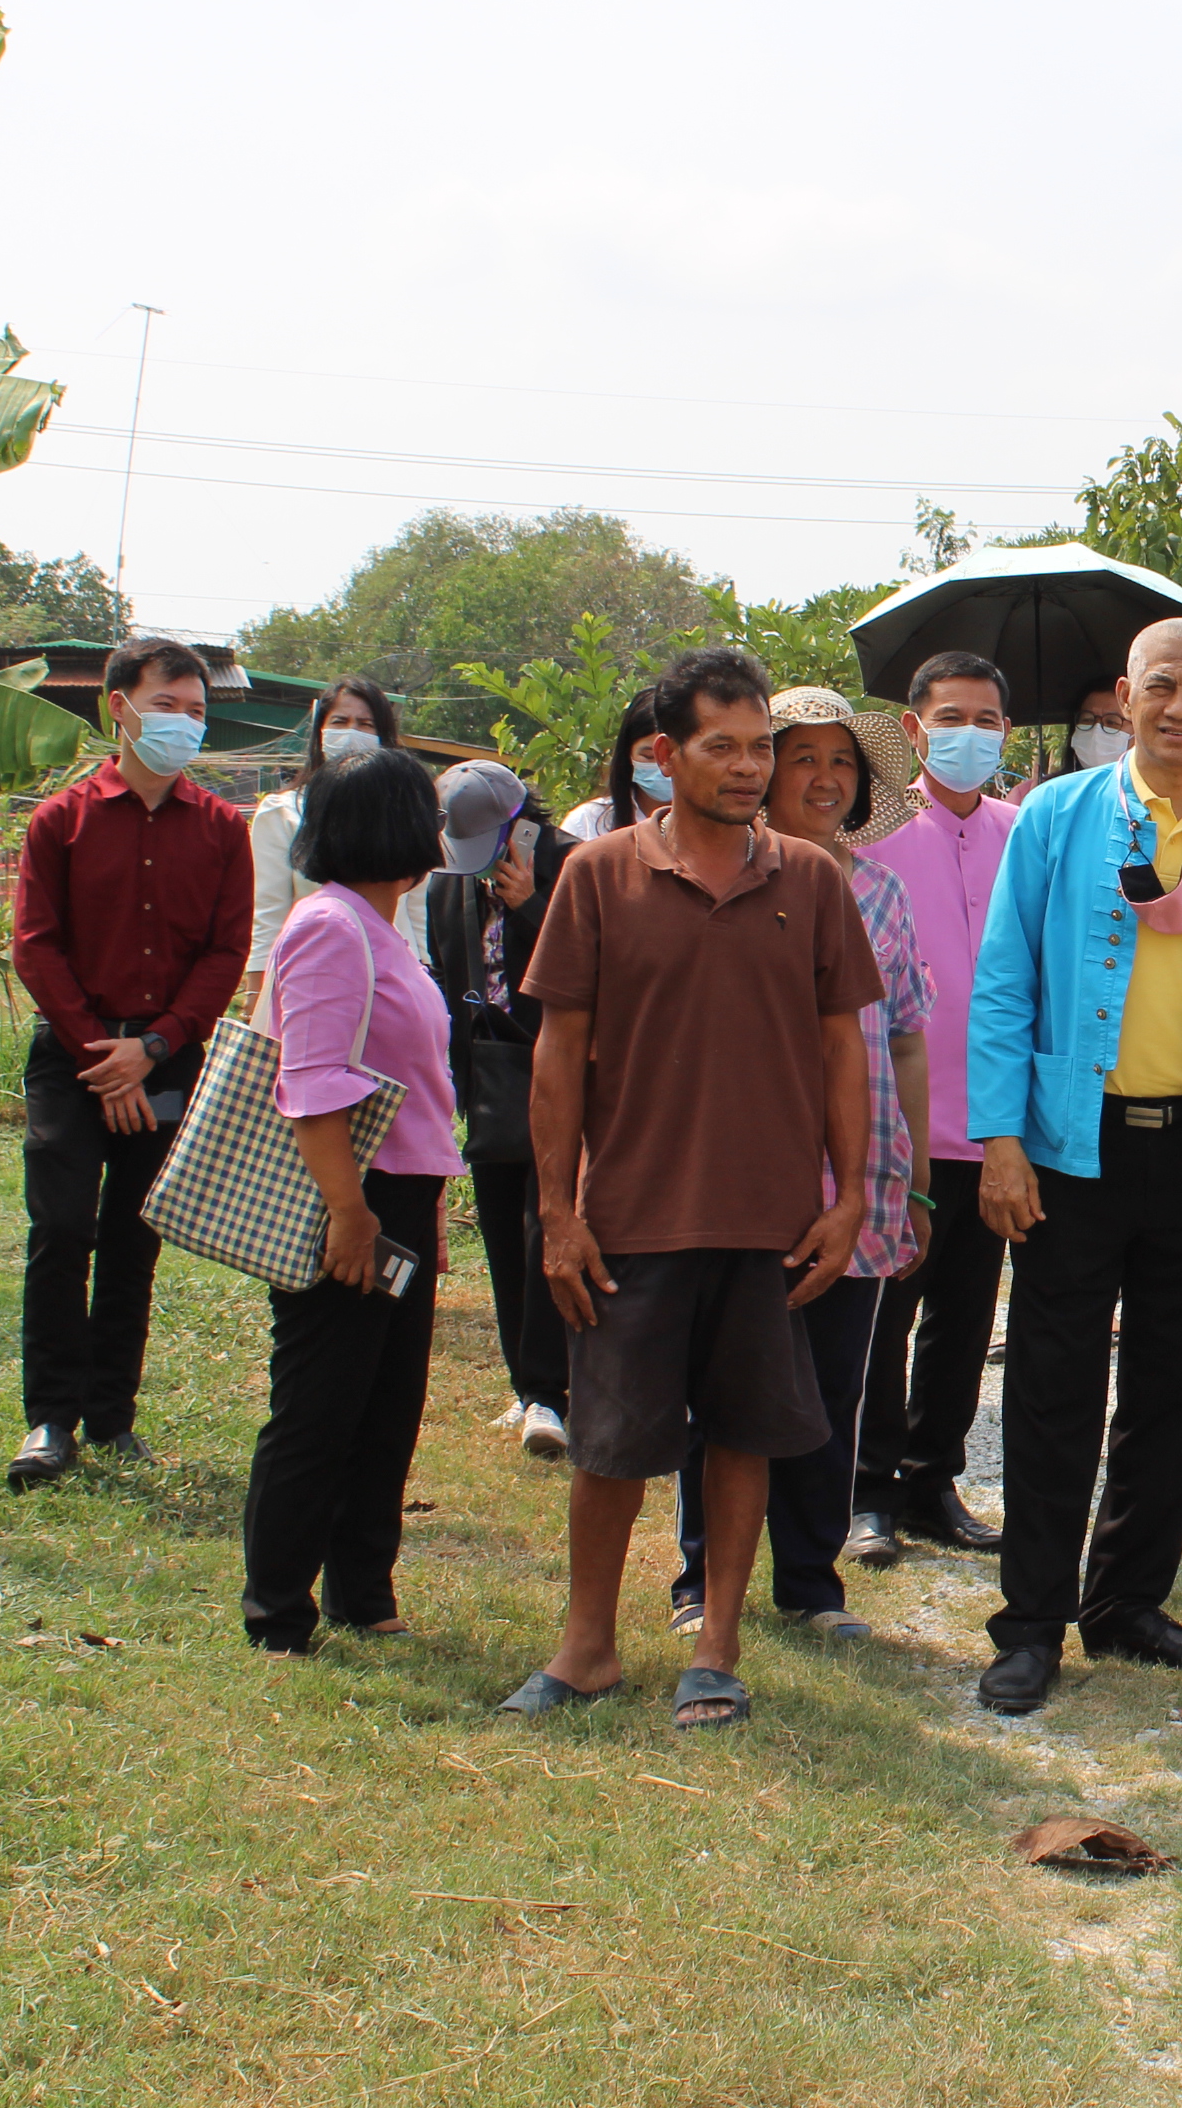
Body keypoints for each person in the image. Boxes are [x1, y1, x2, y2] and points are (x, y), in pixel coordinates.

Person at [501, 647, 883, 1730]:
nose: (750, 768)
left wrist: (850, 1195)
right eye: (725, 747)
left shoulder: (809, 882)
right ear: (664, 756)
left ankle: (716, 1648)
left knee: (744, 1436)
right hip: (630, 1213)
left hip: (769, 1219)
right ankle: (587, 1648)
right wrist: (559, 1215)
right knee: (609, 1445)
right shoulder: (599, 873)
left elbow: (842, 1050)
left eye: (762, 747)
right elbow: (555, 1054)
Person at [964, 620, 1182, 1716]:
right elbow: (1004, 981)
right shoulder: (1058, 819)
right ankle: (1030, 1626)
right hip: (1073, 1153)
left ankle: (1125, 1603)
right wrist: (1002, 1139)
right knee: (1052, 1392)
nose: (1177, 706)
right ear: (1123, 697)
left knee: (1174, 1393)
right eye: (1157, 686)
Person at [670, 691, 936, 1645]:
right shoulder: (720, 886)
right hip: (746, 1180)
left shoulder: (884, 896)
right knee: (726, 1385)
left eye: (843, 764)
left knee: (832, 1389)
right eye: (803, 759)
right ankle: (700, 1579)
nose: (825, 780)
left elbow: (904, 1041)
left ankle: (812, 1584)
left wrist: (911, 1179)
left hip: (861, 1178)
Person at [6, 639, 254, 1490]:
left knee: (132, 1240)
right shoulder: (61, 821)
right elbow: (36, 946)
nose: (185, 723)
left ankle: (112, 1417)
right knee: (63, 1229)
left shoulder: (223, 829)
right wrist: (100, 1058)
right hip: (72, 1058)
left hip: (167, 1056)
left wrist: (150, 1049)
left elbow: (226, 953)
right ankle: (49, 1419)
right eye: (168, 705)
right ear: (119, 705)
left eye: (197, 711)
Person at [239, 748, 463, 1653]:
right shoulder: (328, 926)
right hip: (352, 1199)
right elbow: (312, 1080)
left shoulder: (379, 927)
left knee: (385, 1403)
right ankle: (278, 1609)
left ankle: (362, 1592)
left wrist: (422, 1214)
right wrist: (350, 1214)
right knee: (321, 1405)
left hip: (399, 1198)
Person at [845, 650, 1022, 1566]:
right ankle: (866, 1487)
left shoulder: (1023, 830)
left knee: (964, 1315)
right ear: (914, 729)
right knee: (885, 1312)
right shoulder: (869, 838)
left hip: (994, 1124)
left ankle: (932, 1479)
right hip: (892, 1120)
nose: (972, 735)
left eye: (988, 719)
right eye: (953, 718)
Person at [420, 759, 577, 1459]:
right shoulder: (448, 884)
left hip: (561, 1074)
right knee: (503, 1237)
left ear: (521, 822)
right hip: (489, 1076)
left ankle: (553, 1389)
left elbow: (598, 970)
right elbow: (454, 982)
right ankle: (526, 1389)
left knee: (549, 1229)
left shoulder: (573, 865)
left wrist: (532, 908)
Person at [245, 676, 404, 1002]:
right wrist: (255, 998)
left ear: (382, 736)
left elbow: (414, 918)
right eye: (340, 722)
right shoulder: (283, 812)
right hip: (313, 988)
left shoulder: (403, 814)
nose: (351, 733)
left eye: (365, 724)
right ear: (319, 731)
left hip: (392, 988)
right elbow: (268, 916)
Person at [557, 691, 668, 842]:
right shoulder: (587, 821)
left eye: (670, 756)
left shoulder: (709, 826)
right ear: (628, 754)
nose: (662, 767)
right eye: (648, 756)